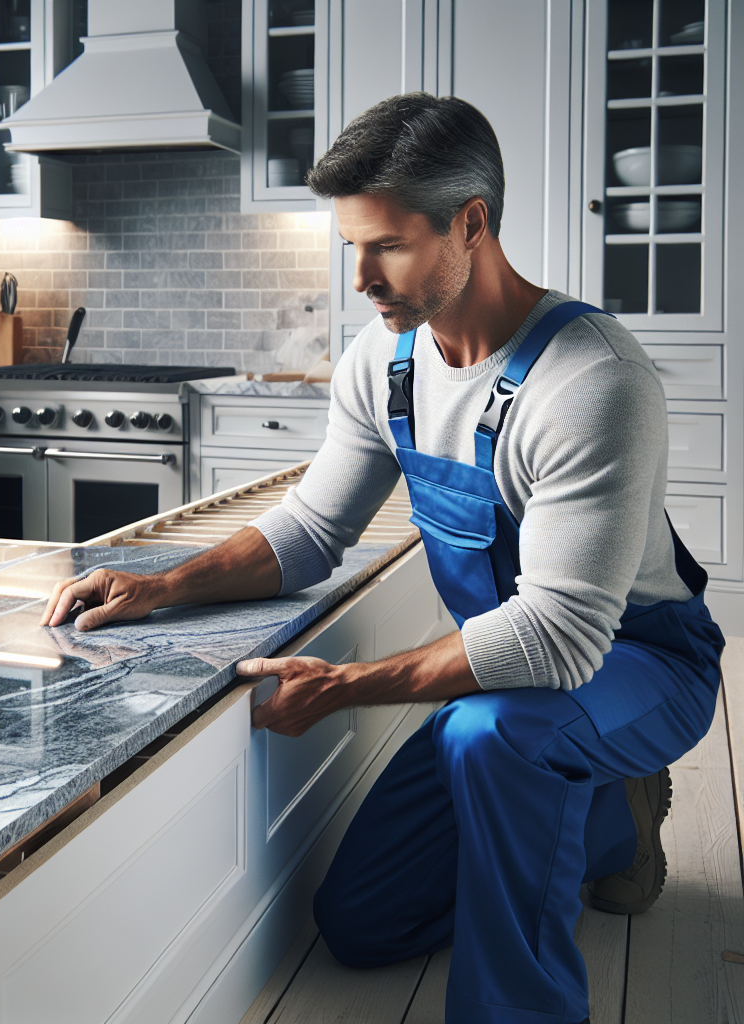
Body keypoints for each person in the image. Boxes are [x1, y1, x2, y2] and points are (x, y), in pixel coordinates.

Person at [40, 93, 725, 1024]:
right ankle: (614, 819)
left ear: (471, 222)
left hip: (636, 661)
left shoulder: (591, 379)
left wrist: (348, 686)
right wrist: (162, 585)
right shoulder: (387, 357)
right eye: (350, 245)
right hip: (506, 681)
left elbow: (563, 641)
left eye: (387, 245)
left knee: (498, 740)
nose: (360, 276)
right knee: (360, 923)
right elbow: (311, 529)